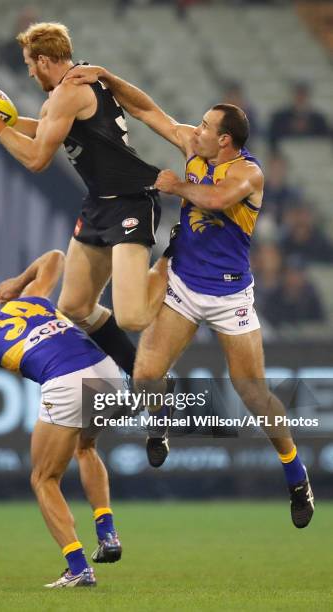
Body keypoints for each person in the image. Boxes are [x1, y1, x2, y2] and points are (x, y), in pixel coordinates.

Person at [63, 65, 315, 528]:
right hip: (182, 283)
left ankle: (296, 475)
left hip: (229, 294)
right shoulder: (195, 148)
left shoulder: (249, 174)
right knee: (146, 376)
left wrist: (174, 184)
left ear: (224, 141)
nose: (194, 130)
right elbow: (146, 110)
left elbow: (216, 200)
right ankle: (160, 424)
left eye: (204, 126)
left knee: (253, 392)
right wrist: (108, 79)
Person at [0, 22, 166, 380]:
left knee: (132, 316)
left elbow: (37, 159)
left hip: (131, 200)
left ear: (42, 60)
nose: (28, 71)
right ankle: (142, 375)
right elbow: (44, 128)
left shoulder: (68, 94)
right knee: (73, 307)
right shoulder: (67, 89)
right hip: (100, 203)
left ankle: (175, 260)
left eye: (28, 64)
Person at [0, 250, 133, 588]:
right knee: (86, 447)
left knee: (43, 479)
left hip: (65, 381)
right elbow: (56, 258)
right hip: (108, 372)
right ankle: (106, 532)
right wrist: (19, 282)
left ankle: (78, 567)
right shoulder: (29, 300)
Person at [269, 82, 329, 150]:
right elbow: (273, 138)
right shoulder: (279, 118)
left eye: (303, 94)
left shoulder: (319, 119)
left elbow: (324, 140)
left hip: (313, 153)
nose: (300, 98)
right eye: (298, 94)